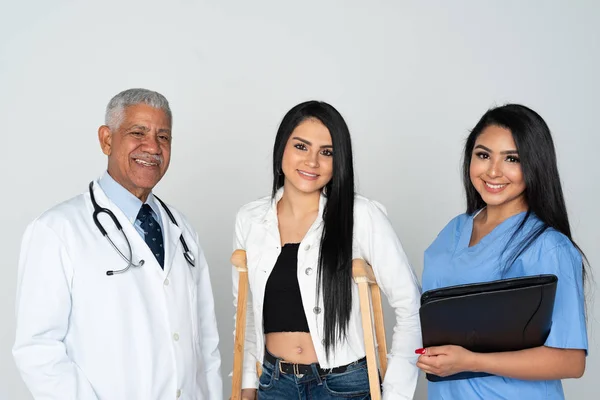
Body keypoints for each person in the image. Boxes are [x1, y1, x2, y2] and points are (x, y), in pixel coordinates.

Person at [13, 88, 222, 399]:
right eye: (138, 132)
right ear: (106, 139)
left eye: (163, 137)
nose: (152, 147)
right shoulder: (57, 230)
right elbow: (38, 349)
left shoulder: (183, 230)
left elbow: (206, 345)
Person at [232, 100, 422, 399]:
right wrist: (247, 385)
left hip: (344, 386)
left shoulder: (361, 215)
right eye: (301, 147)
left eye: (327, 152)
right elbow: (247, 313)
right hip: (274, 384)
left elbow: (410, 305)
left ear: (339, 161)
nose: (312, 162)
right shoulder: (251, 219)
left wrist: (395, 394)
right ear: (282, 148)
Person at [417, 104, 588, 399]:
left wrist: (470, 361)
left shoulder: (548, 247)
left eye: (512, 159)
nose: (493, 171)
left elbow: (571, 361)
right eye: (483, 155)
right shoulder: (454, 230)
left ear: (534, 165)